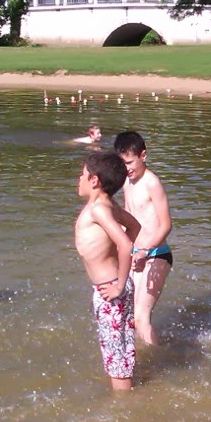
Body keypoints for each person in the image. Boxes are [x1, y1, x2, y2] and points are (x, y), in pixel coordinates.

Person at [74, 150, 143, 390]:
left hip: (111, 291)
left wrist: (119, 286)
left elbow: (126, 244)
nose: (79, 179)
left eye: (82, 174)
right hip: (112, 287)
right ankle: (128, 398)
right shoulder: (108, 205)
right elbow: (134, 226)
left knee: (116, 360)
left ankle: (123, 407)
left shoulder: (98, 210)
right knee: (120, 352)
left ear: (94, 180)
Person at [114, 131, 173, 346]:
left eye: (130, 162)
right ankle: (137, 355)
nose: (126, 168)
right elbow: (128, 219)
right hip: (135, 255)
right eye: (122, 163)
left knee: (140, 317)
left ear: (143, 155)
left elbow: (166, 224)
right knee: (128, 317)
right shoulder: (126, 182)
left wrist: (145, 250)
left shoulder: (152, 183)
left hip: (157, 254)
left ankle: (160, 360)